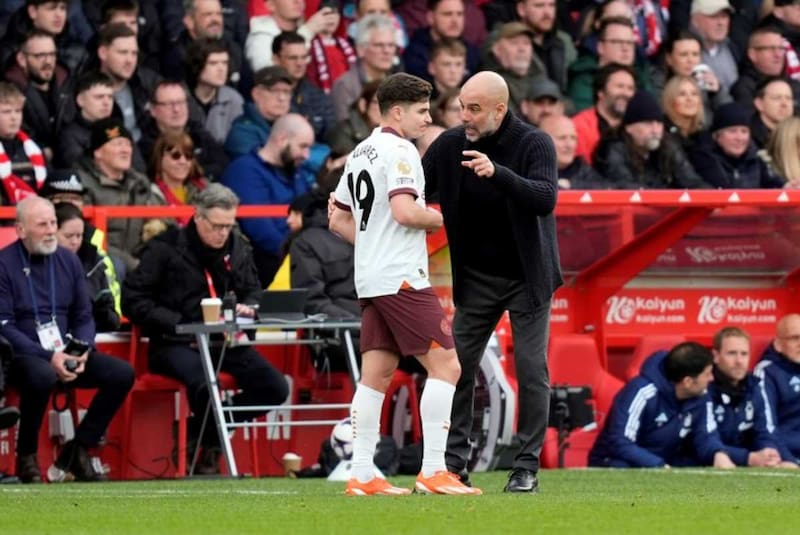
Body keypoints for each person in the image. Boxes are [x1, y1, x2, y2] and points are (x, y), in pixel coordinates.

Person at [329, 72, 480, 496]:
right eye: (421, 110)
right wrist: (449, 216)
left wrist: (374, 242)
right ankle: (433, 470)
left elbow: (337, 218)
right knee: (447, 366)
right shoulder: (401, 151)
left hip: (371, 276)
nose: (427, 118)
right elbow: (405, 212)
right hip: (400, 277)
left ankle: (361, 473)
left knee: (375, 375)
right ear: (397, 111)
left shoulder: (360, 151)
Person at [422, 71, 561, 493]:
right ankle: (452, 464)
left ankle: (526, 468)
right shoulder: (449, 145)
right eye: (462, 106)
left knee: (531, 370)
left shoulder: (534, 142)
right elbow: (412, 190)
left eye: (475, 109)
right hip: (477, 278)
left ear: (500, 110)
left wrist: (498, 173)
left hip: (527, 276)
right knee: (454, 367)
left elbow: (544, 197)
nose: (465, 115)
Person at [122, 184, 290, 474]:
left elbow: (253, 290)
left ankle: (203, 434)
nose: (222, 233)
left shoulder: (238, 245)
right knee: (204, 385)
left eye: (228, 226)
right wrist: (176, 323)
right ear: (197, 218)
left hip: (225, 341)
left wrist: (249, 306)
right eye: (216, 226)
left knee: (275, 387)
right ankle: (210, 446)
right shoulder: (165, 247)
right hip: (176, 342)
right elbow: (132, 299)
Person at [0, 196, 134, 483]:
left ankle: (78, 449)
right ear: (21, 230)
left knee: (122, 374)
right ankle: (27, 457)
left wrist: (82, 349)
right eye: (42, 225)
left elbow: (84, 315)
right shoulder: (4, 263)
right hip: (23, 354)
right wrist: (50, 356)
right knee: (43, 375)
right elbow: (5, 326)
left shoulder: (68, 260)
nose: (50, 230)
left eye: (52, 223)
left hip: (67, 351)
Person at [589, 342, 736, 468]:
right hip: (614, 463)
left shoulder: (701, 394)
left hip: (665, 462)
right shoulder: (641, 392)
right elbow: (620, 443)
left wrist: (718, 453)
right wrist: (657, 465)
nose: (712, 379)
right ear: (688, 382)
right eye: (707, 374)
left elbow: (706, 436)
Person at [220, 113, 314, 287]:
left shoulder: (296, 171)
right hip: (265, 265)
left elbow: (311, 211)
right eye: (303, 146)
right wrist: (302, 255)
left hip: (300, 258)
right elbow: (261, 231)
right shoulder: (244, 171)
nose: (306, 155)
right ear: (282, 138)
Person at [709, 326, 798, 467]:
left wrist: (771, 454)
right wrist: (748, 458)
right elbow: (705, 442)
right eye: (731, 353)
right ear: (716, 356)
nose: (739, 361)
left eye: (744, 354)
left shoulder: (754, 386)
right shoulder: (704, 388)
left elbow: (764, 431)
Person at [594, 90, 708, 189]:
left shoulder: (668, 146)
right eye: (647, 123)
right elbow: (625, 187)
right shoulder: (613, 149)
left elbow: (692, 181)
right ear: (629, 128)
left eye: (659, 123)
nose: (655, 130)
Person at [54, 202, 120, 332]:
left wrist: (99, 312)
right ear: (52, 232)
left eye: (79, 236)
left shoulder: (95, 263)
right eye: (68, 236)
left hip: (87, 338)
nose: (75, 242)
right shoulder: (36, 264)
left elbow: (113, 321)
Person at [688, 102, 784, 189]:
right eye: (732, 131)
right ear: (717, 136)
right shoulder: (703, 159)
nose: (739, 138)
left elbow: (773, 184)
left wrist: (786, 187)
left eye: (744, 131)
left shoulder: (755, 160)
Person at [755, 313, 800, 460]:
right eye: (795, 338)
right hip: (789, 452)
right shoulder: (767, 372)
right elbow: (766, 427)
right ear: (778, 344)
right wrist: (790, 461)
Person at [148, 131, 209, 227]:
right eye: (175, 155)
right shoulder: (150, 195)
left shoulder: (206, 188)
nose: (183, 161)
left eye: (188, 156)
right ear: (160, 158)